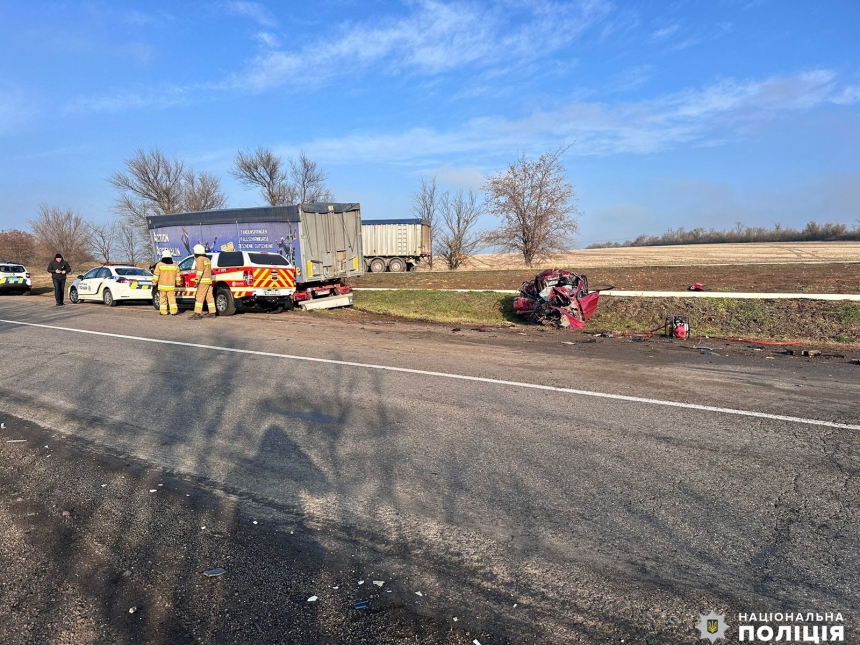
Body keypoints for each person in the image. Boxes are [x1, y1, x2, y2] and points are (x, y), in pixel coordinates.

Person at [190, 244, 215, 320]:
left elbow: (199, 271)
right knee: (209, 297)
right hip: (209, 281)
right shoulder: (207, 259)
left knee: (199, 297)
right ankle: (212, 312)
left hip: (203, 281)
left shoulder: (200, 259)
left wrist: (196, 281)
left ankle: (197, 313)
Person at [152, 250, 181, 315]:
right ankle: (173, 311)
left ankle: (163, 312)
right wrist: (178, 283)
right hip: (171, 286)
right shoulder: (175, 265)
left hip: (162, 286)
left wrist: (154, 283)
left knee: (163, 299)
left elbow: (156, 275)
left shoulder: (159, 265)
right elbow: (178, 275)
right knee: (172, 299)